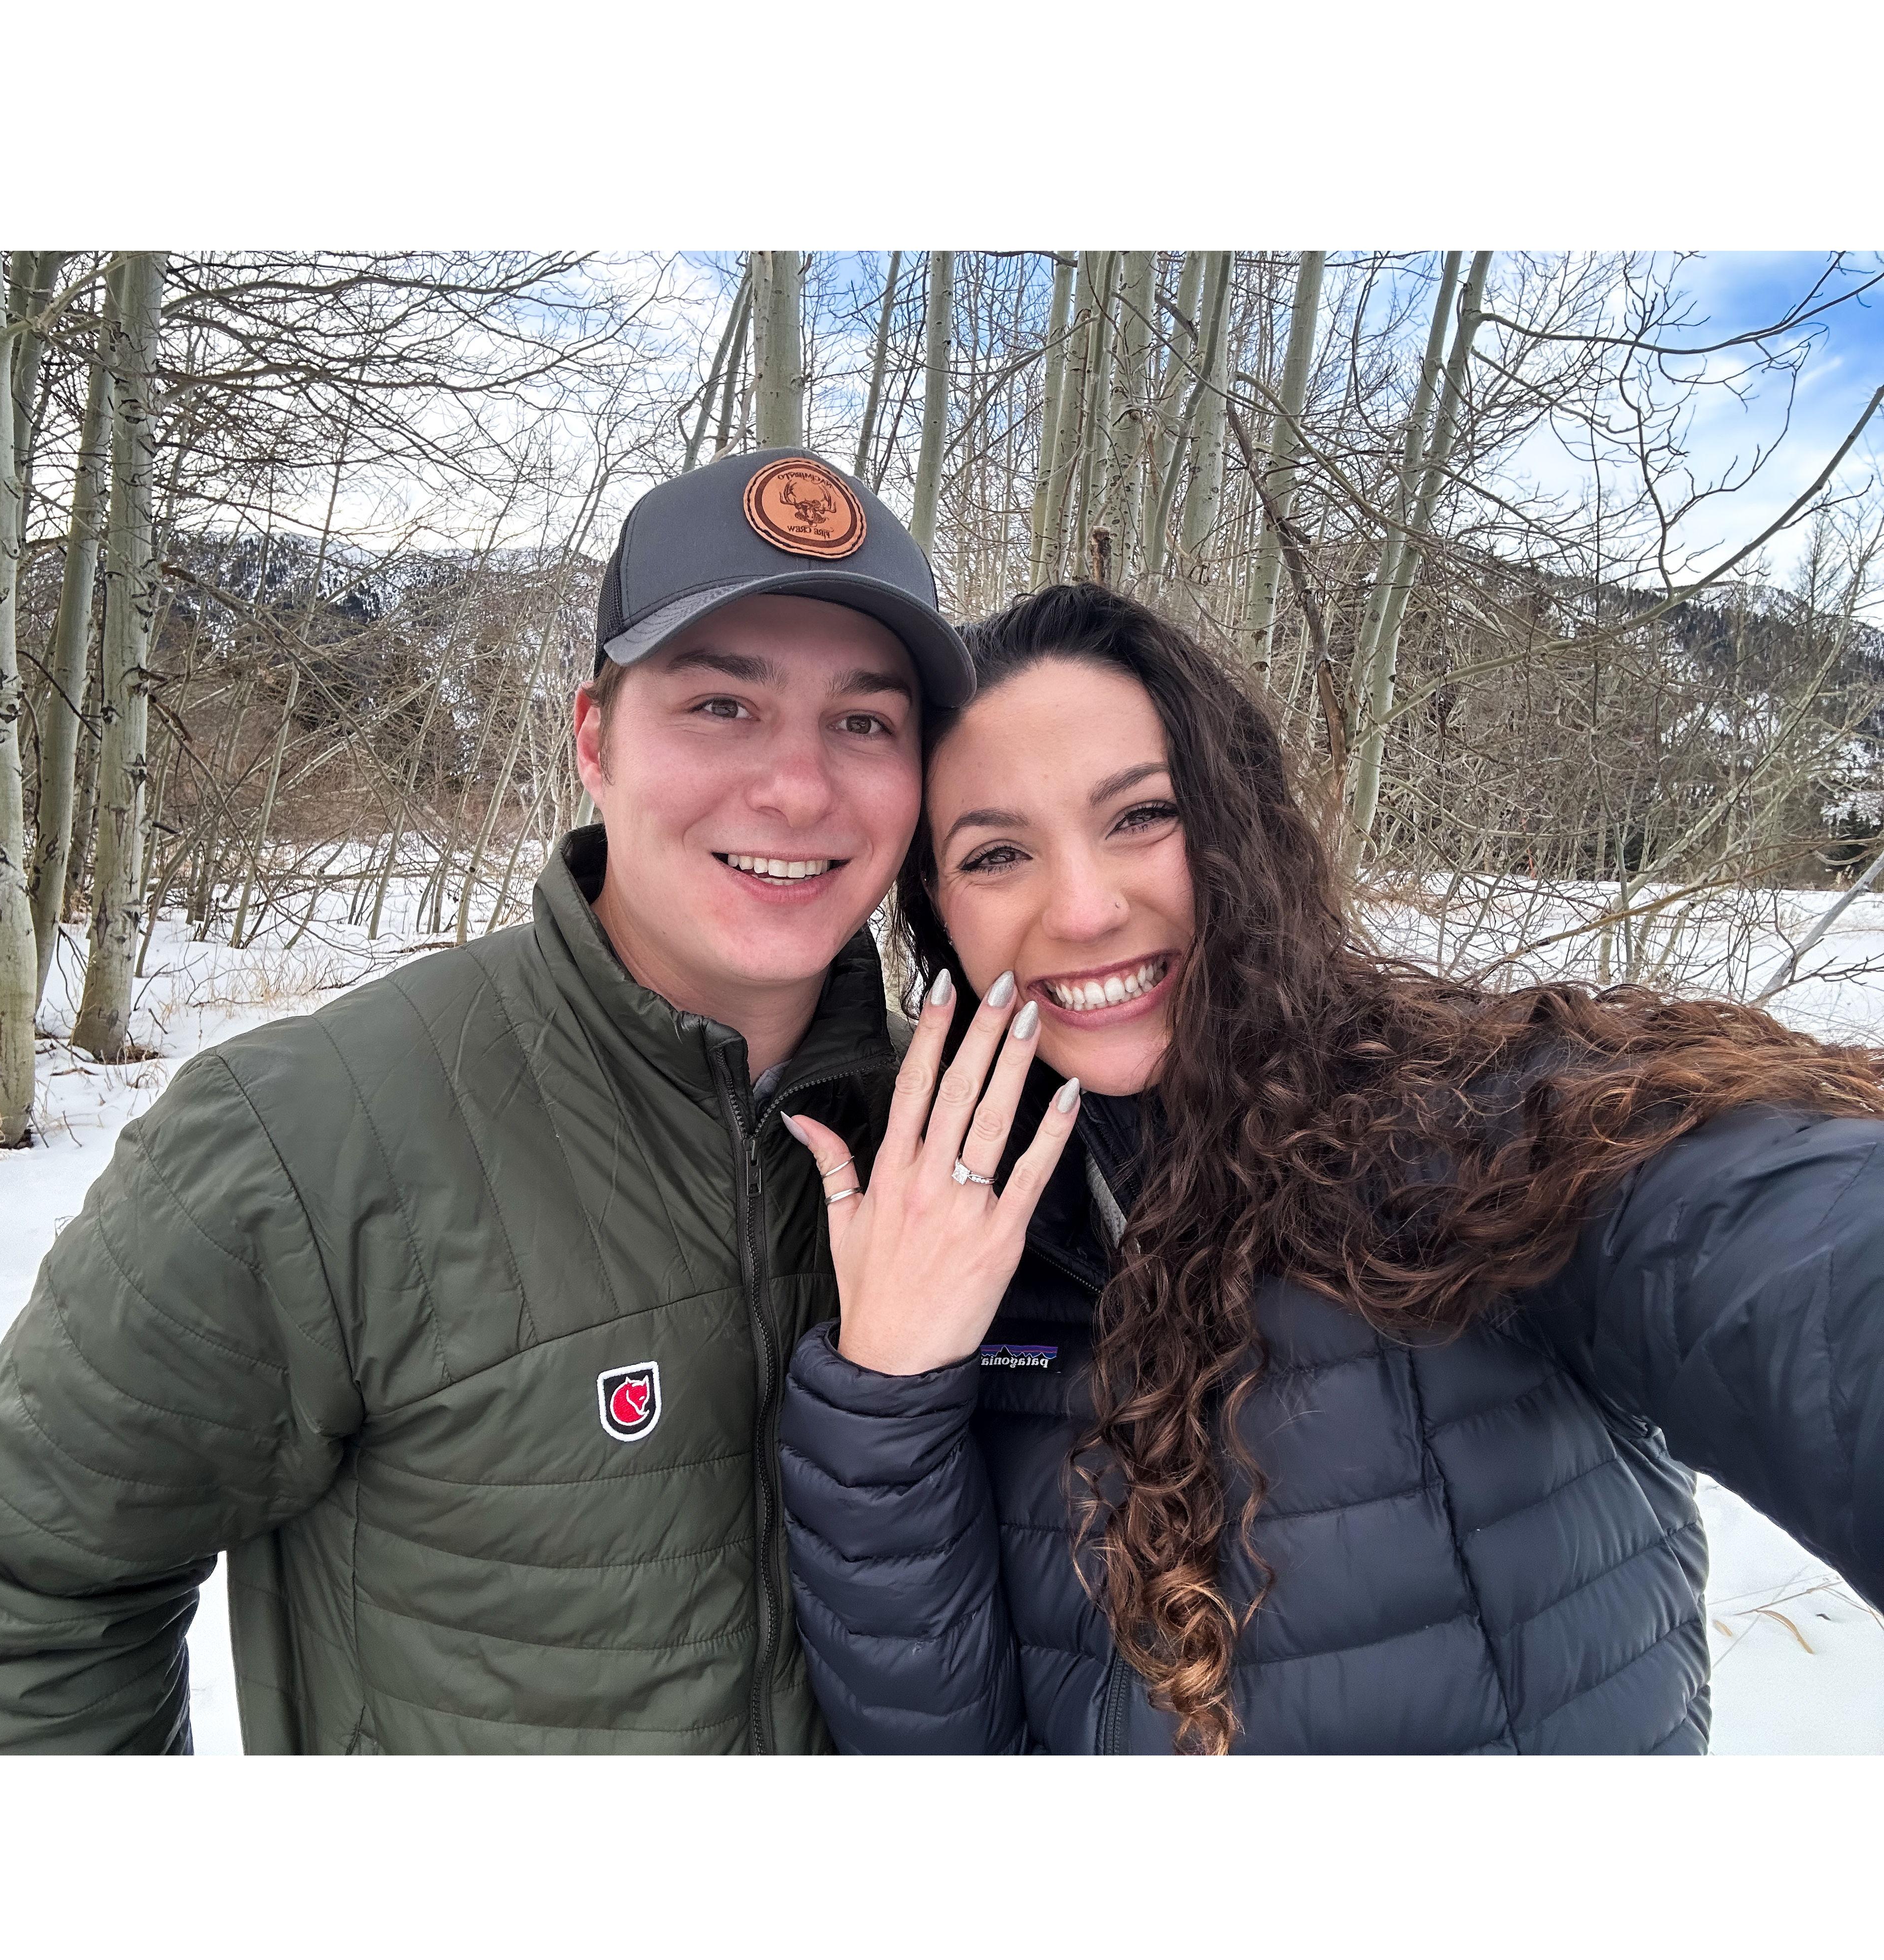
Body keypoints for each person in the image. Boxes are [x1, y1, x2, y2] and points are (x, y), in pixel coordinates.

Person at [0, 448, 974, 1754]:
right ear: (594, 740)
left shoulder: (960, 1137)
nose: (799, 787)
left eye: (865, 724)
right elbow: (37, 1592)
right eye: (721, 705)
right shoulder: (308, 1137)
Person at [777, 582, 1884, 1754]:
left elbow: (1783, 1258)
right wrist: (888, 1393)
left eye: (1143, 816)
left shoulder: (1482, 1124)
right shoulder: (950, 1237)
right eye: (998, 853)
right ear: (939, 911)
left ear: (1237, 822)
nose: (1086, 909)